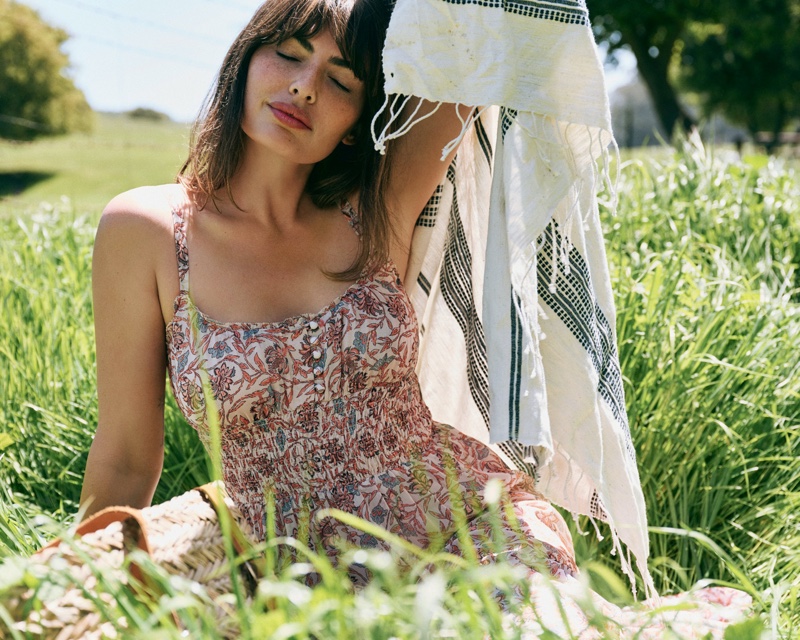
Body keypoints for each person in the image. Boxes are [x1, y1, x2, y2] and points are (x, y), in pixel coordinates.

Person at [80, 0, 750, 635]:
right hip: (296, 577)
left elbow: (482, 28)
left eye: (341, 80)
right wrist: (78, 582)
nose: (306, 87)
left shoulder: (377, 205)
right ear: (245, 61)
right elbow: (127, 454)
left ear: (362, 115)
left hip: (468, 525)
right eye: (287, 54)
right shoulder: (148, 230)